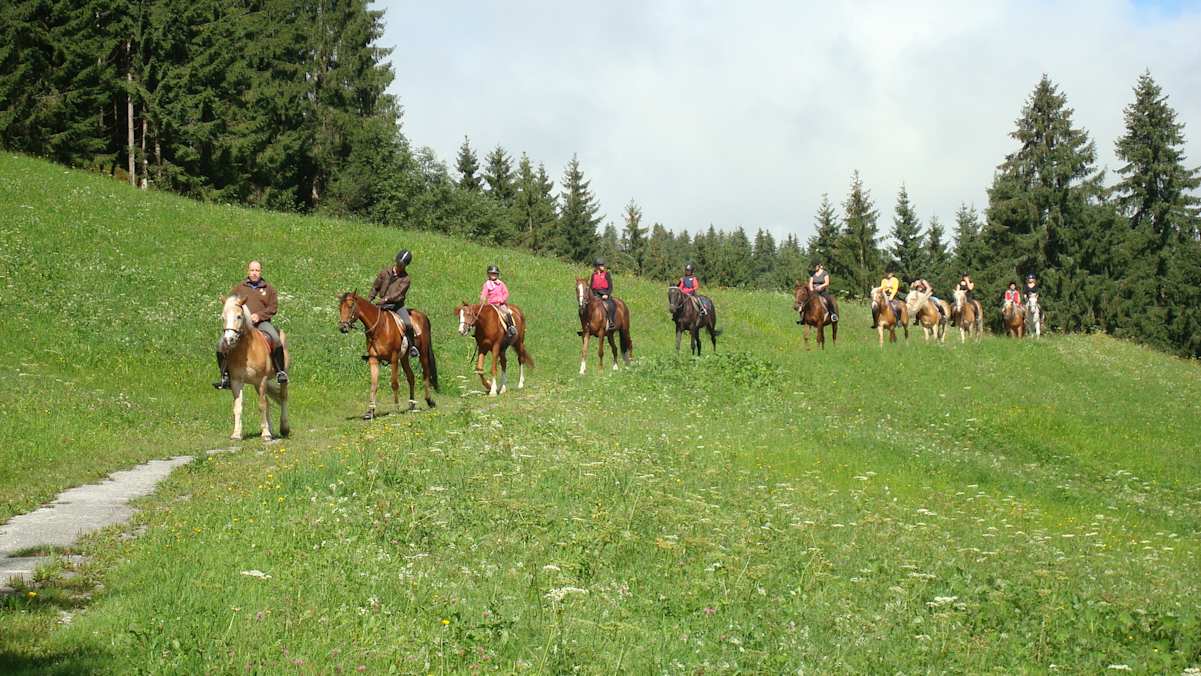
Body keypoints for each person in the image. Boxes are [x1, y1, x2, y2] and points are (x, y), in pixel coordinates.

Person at [214, 260, 287, 389]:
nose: (254, 273)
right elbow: (230, 303)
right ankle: (225, 376)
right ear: (248, 271)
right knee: (221, 344)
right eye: (252, 270)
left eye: (257, 271)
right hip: (242, 325)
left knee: (275, 339)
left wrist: (259, 316)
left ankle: (280, 372)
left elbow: (273, 307)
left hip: (261, 323)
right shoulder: (239, 288)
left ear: (261, 272)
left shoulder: (268, 289)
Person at [370, 249, 419, 357]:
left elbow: (399, 294)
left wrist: (386, 299)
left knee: (408, 324)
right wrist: (370, 299)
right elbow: (376, 286)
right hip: (382, 305)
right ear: (396, 261)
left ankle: (412, 347)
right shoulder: (384, 272)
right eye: (399, 263)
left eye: (403, 265)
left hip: (397, 306)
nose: (400, 266)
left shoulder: (406, 279)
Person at [480, 264, 517, 337]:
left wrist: (502, 300)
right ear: (488, 274)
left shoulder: (501, 284)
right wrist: (482, 302)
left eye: (495, 274)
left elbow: (506, 293)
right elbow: (484, 294)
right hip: (492, 304)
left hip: (500, 304)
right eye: (491, 273)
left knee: (507, 312)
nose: (493, 275)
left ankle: (511, 327)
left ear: (497, 275)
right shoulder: (487, 284)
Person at [589, 258, 616, 330]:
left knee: (611, 305)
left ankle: (611, 321)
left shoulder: (607, 274)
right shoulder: (593, 275)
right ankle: (586, 324)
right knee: (586, 306)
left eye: (603, 265)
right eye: (601, 265)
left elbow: (610, 286)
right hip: (595, 295)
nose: (603, 266)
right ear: (597, 266)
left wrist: (607, 294)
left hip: (604, 294)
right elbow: (591, 287)